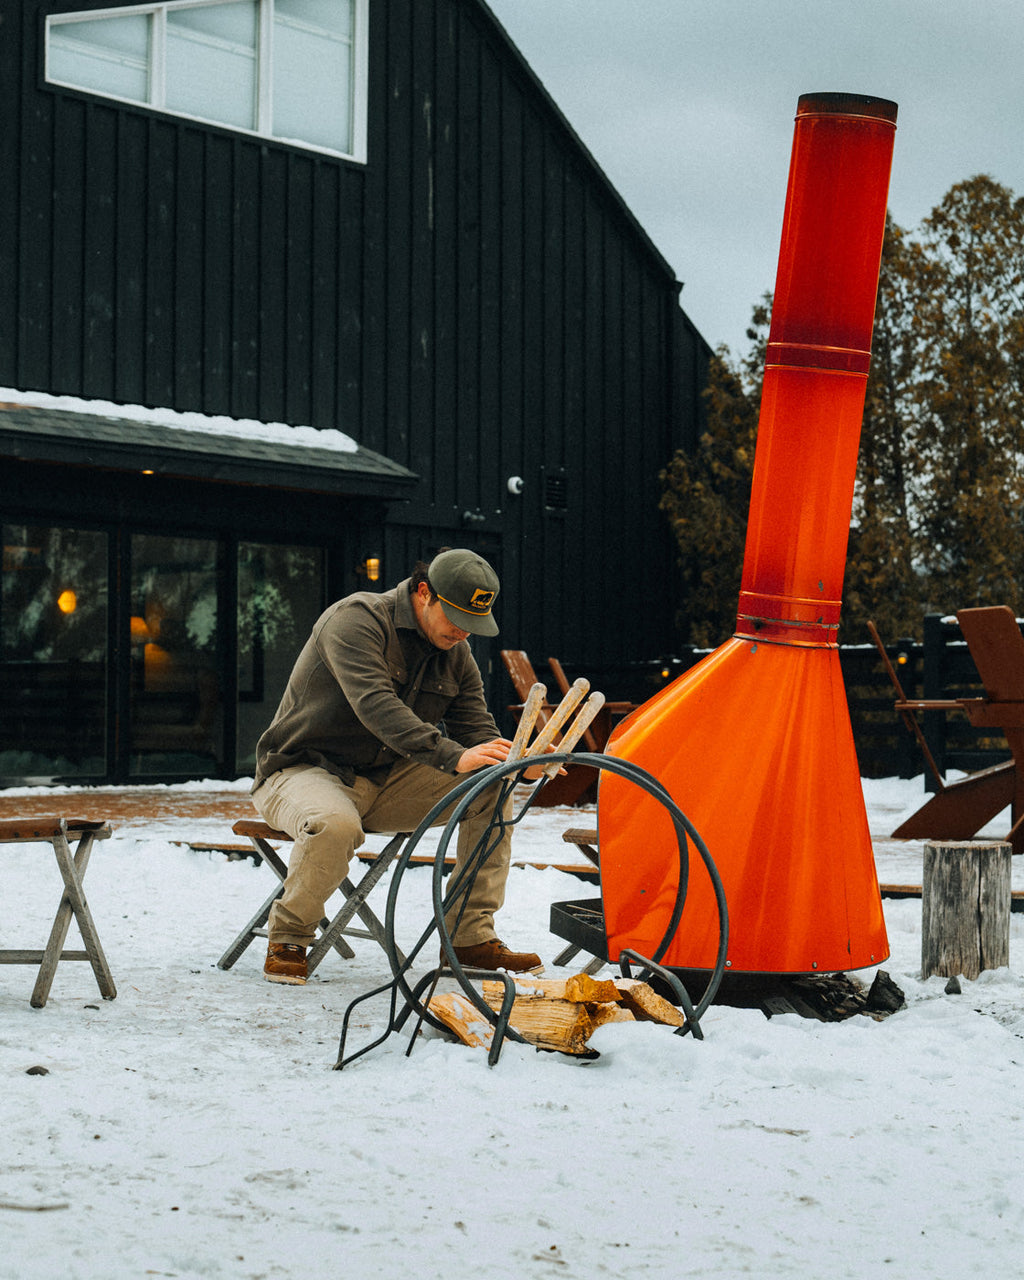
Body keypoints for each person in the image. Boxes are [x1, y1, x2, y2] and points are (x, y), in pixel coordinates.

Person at [250, 547, 547, 985]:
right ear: (425, 593)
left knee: (489, 787)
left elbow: (474, 726)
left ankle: (468, 941)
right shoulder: (356, 620)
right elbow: (376, 705)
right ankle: (290, 936)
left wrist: (516, 761)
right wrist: (452, 756)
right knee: (334, 825)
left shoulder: (456, 651)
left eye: (474, 625)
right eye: (458, 619)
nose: (465, 633)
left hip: (387, 778)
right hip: (303, 770)